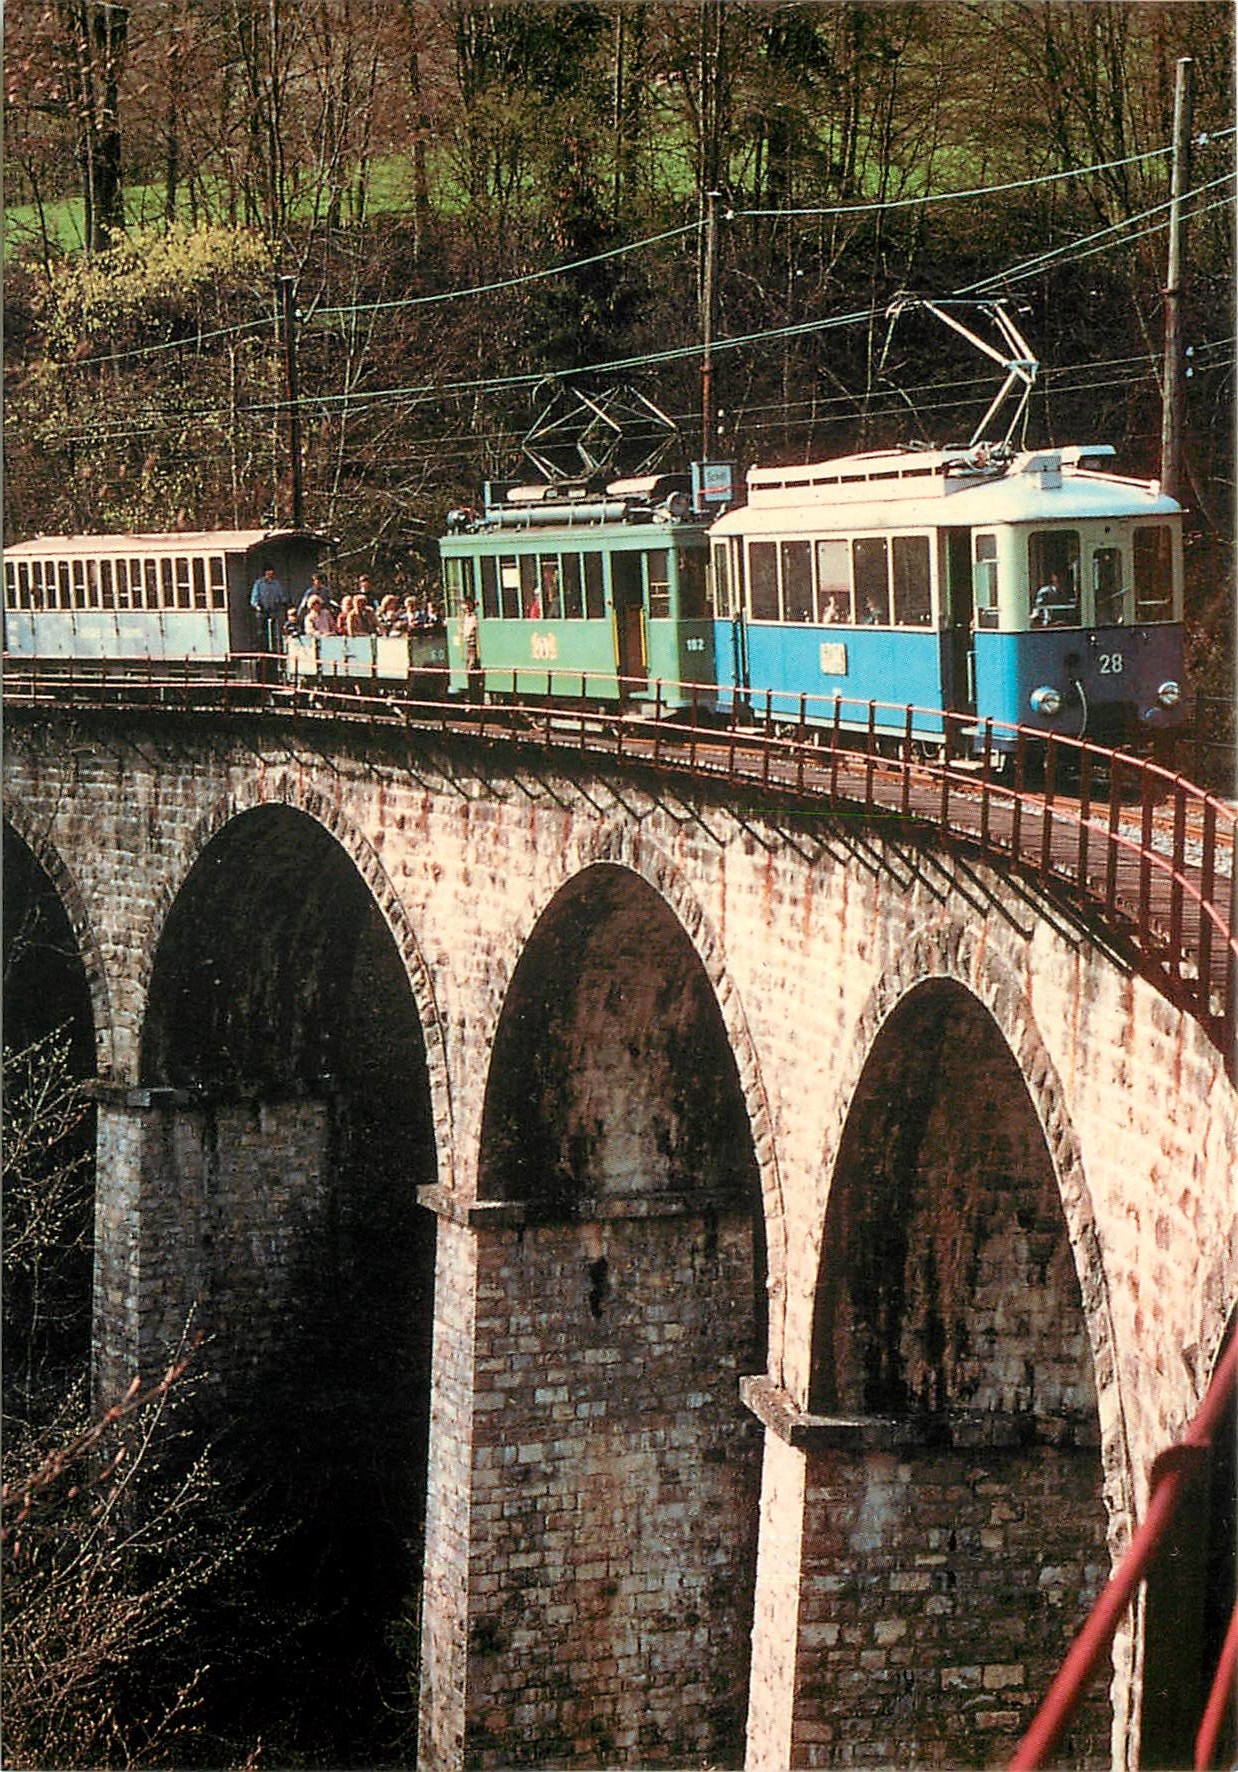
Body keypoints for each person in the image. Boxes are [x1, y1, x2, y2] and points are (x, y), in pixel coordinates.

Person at [249, 563, 289, 655]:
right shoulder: (259, 583)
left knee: (276, 630)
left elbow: (281, 596)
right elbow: (254, 599)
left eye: (272, 573)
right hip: (262, 611)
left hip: (273, 610)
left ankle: (275, 649)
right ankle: (262, 650)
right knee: (261, 631)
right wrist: (257, 606)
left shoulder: (276, 584)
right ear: (265, 573)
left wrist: (284, 602)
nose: (270, 575)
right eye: (268, 573)